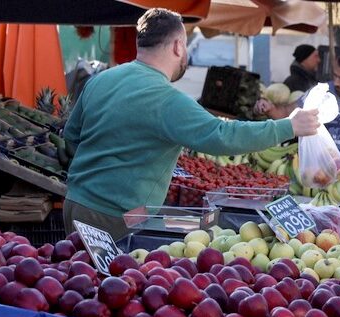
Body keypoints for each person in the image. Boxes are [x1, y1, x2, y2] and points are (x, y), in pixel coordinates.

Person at [63, 8, 320, 240]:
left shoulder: (100, 80)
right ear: (177, 46)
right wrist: (288, 127)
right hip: (114, 217)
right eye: (185, 46)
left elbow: (72, 137)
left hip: (74, 203)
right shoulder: (166, 98)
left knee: (76, 285)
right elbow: (221, 136)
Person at [259, 48, 340, 175]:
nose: (337, 82)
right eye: (335, 75)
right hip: (320, 175)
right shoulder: (321, 92)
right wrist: (270, 109)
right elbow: (288, 113)